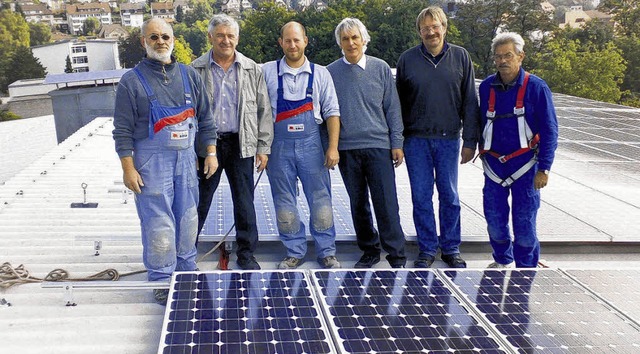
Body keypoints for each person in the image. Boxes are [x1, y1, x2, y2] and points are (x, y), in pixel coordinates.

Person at [112, 18, 218, 304]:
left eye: (165, 36)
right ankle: (161, 278)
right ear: (143, 42)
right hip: (150, 164)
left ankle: (186, 270)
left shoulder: (189, 75)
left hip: (186, 161)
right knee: (159, 223)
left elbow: (206, 119)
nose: (161, 42)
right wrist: (127, 168)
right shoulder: (131, 82)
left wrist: (210, 152)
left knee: (188, 217)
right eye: (154, 37)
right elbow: (121, 130)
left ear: (173, 39)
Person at [396, 6, 480, 268]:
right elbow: (397, 105)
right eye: (425, 28)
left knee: (449, 196)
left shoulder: (461, 57)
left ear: (444, 27)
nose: (431, 32)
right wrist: (397, 142)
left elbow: (469, 100)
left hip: (449, 140)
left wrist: (470, 141)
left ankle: (451, 248)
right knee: (421, 197)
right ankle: (427, 249)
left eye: (435, 26)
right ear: (419, 32)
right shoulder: (407, 60)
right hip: (415, 141)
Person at [191, 14, 273, 270]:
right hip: (208, 146)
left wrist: (263, 147)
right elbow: (189, 113)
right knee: (200, 200)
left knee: (244, 201)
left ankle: (247, 255)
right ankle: (185, 251)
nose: (226, 40)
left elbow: (263, 110)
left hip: (242, 143)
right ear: (210, 37)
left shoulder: (251, 69)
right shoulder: (195, 70)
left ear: (237, 38)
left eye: (230, 35)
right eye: (220, 35)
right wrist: (193, 151)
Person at [327, 18, 406, 269]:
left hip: (378, 146)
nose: (351, 43)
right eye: (345, 39)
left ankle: (396, 254)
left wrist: (396, 142)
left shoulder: (381, 68)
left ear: (364, 39)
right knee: (358, 203)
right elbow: (327, 113)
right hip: (347, 150)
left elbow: (392, 108)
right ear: (340, 43)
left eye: (355, 37)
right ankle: (370, 250)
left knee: (386, 202)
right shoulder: (330, 73)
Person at [262, 21, 341, 269]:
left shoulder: (321, 73)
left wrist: (333, 147)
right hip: (279, 149)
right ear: (281, 43)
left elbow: (332, 112)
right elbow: (258, 112)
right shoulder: (266, 72)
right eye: (288, 40)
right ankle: (294, 251)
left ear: (305, 40)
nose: (293, 45)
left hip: (312, 146)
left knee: (321, 201)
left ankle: (326, 252)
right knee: (284, 202)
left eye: (297, 40)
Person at [478, 32, 558, 268]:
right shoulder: (486, 88)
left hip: (526, 166)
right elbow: (479, 122)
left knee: (524, 223)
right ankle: (502, 260)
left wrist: (545, 167)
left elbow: (550, 130)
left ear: (521, 56)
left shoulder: (536, 88)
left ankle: (526, 269)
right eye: (498, 56)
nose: (503, 61)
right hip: (494, 167)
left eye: (508, 55)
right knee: (494, 220)